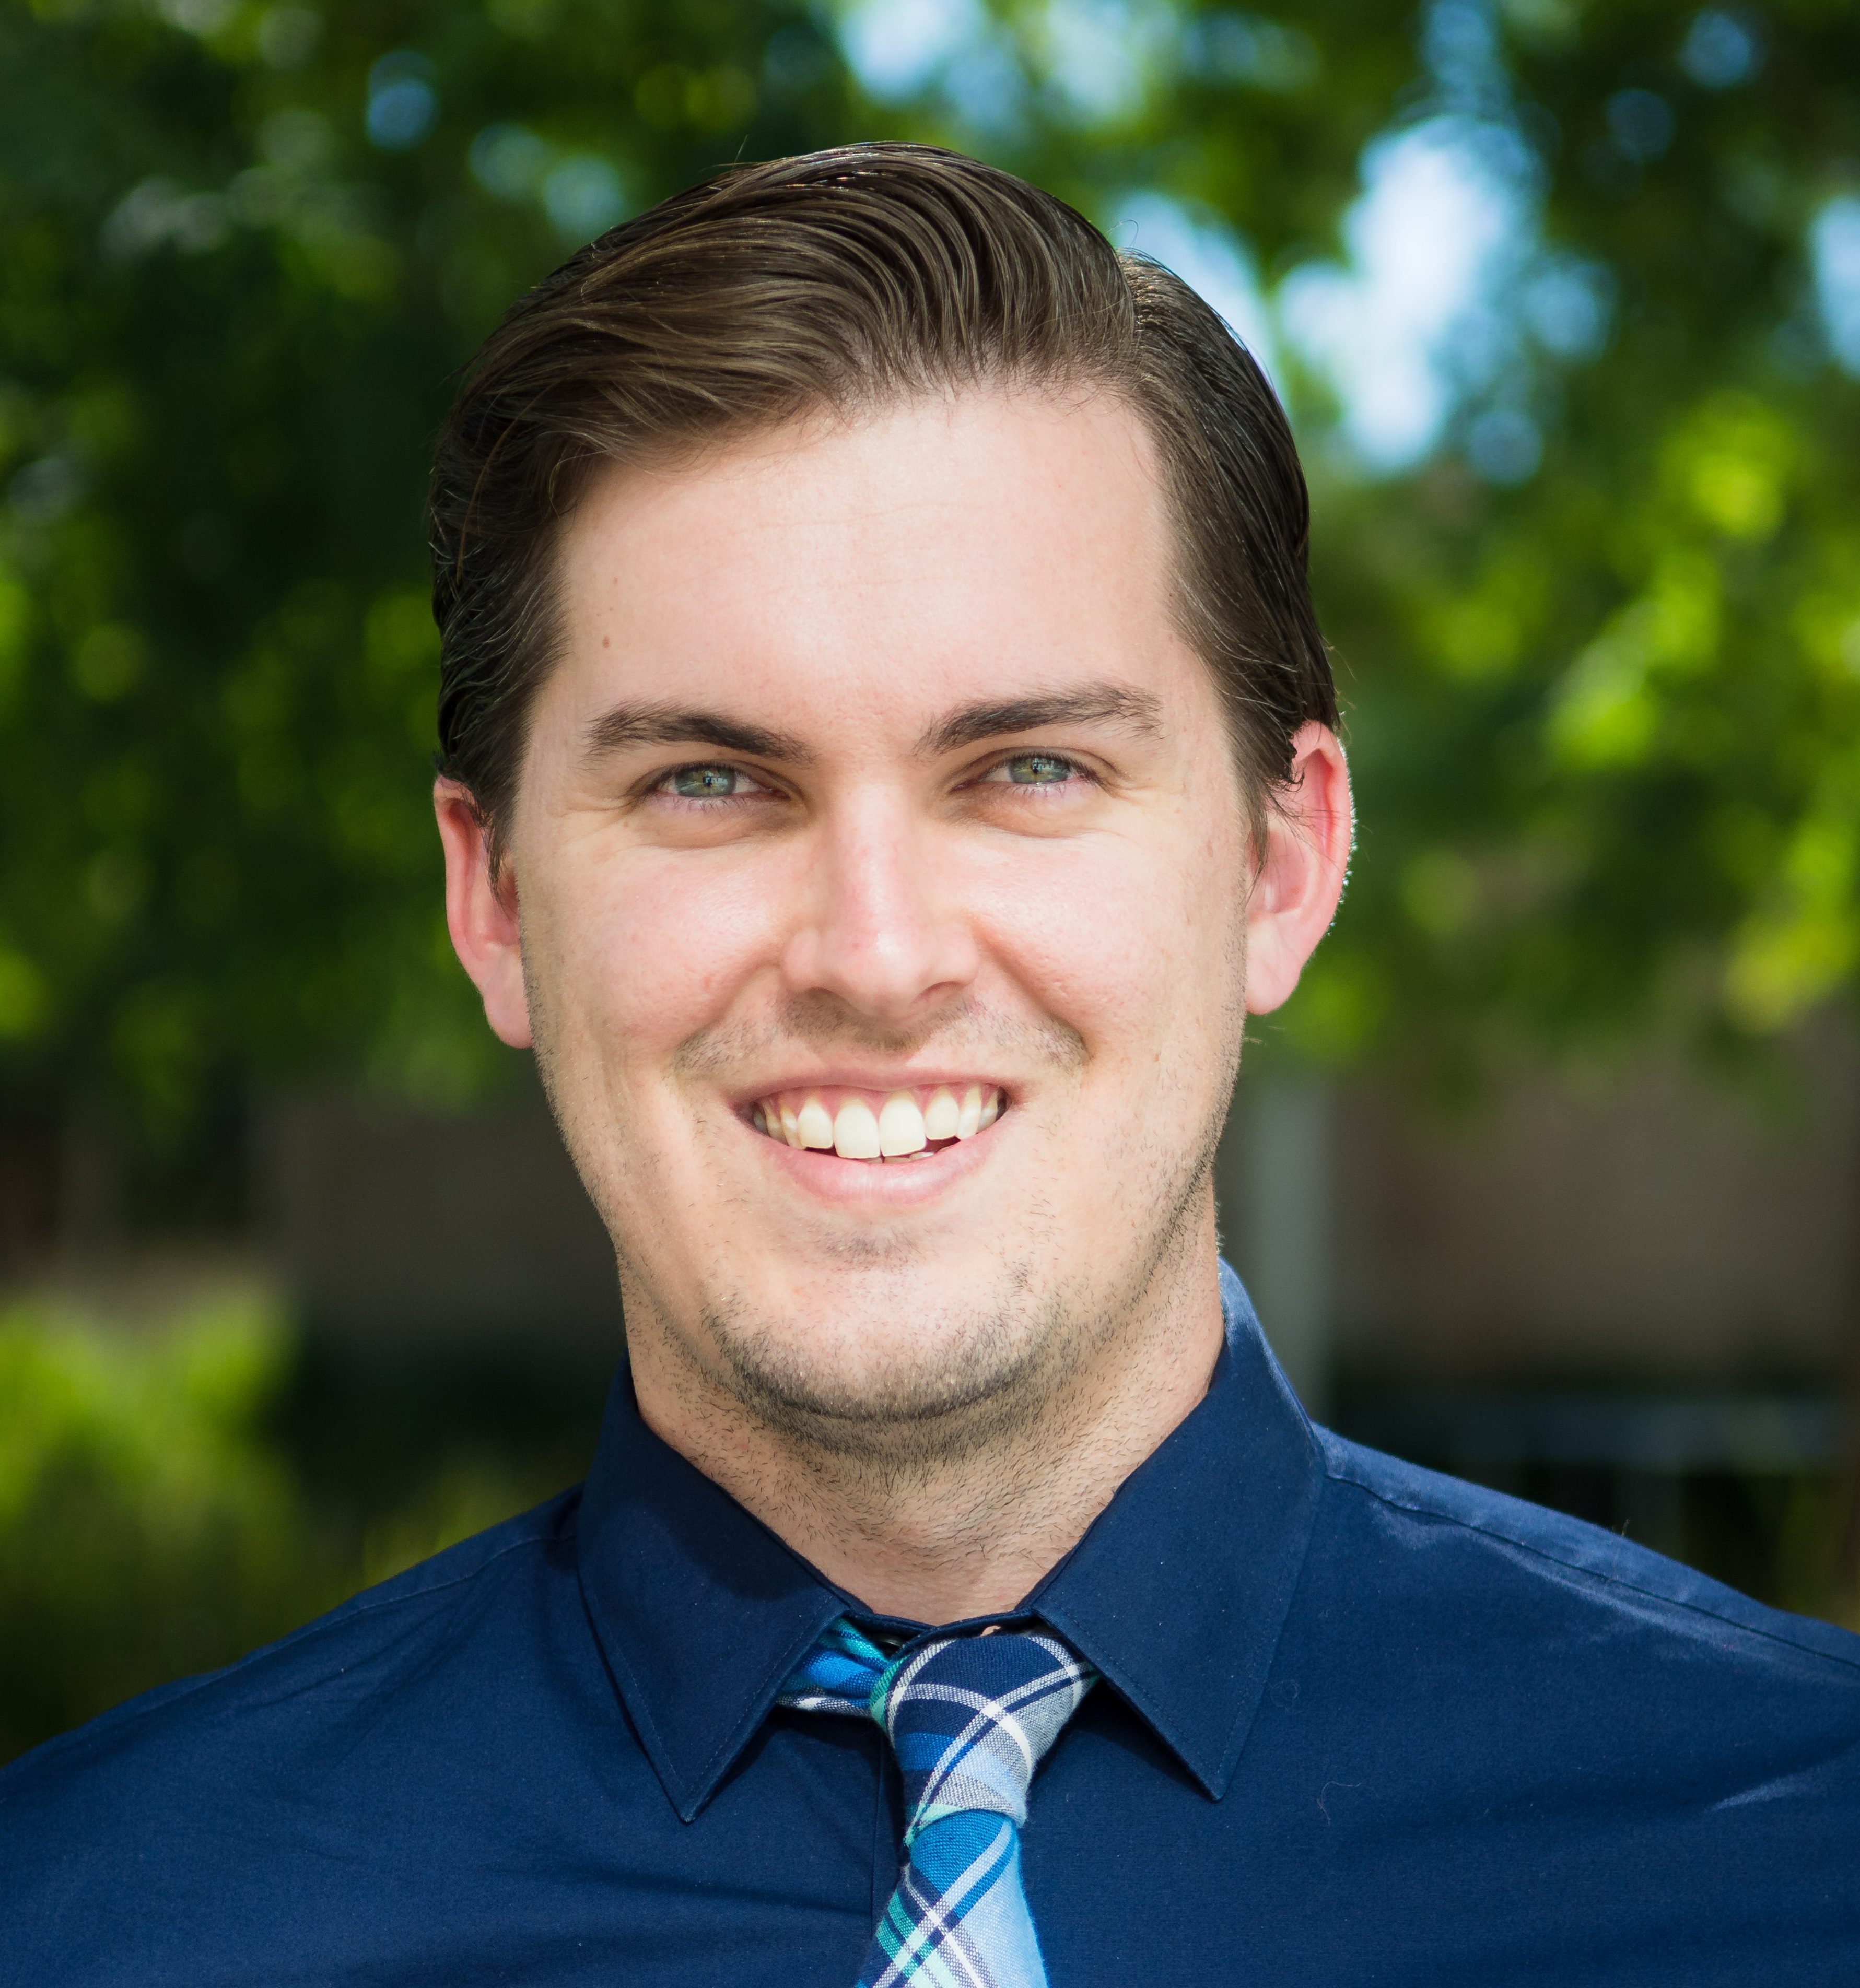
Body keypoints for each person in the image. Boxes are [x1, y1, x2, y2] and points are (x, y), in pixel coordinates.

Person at [3, 143, 1856, 1985]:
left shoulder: (1798, 1861)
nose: (875, 958)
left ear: (1279, 866)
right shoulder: (101, 1923)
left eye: (1029, 770)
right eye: (710, 784)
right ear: (492, 900)